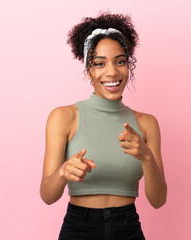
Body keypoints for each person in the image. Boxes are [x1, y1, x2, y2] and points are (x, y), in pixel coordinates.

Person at [40, 12, 167, 240]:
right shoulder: (64, 117)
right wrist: (63, 172)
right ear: (89, 71)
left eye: (120, 61)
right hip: (79, 227)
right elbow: (47, 196)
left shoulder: (147, 124)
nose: (112, 72)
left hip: (127, 227)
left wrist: (146, 157)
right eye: (100, 64)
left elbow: (158, 201)